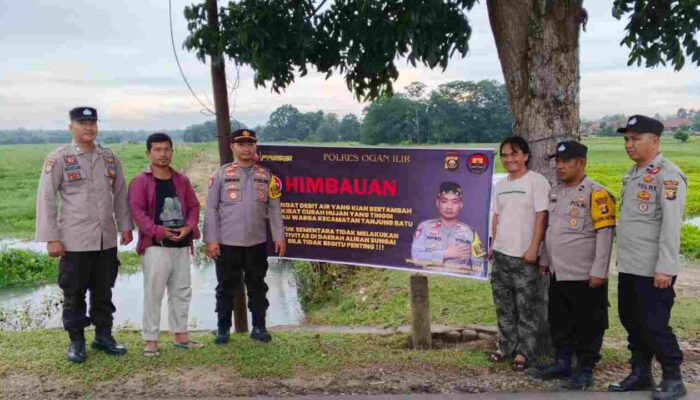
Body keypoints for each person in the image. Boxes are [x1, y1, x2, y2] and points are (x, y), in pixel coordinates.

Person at [35, 107, 133, 363]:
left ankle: (103, 336)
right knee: (74, 293)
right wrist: (51, 238)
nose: (88, 127)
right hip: (74, 240)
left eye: (92, 123)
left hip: (105, 240)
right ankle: (76, 342)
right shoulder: (59, 158)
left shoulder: (109, 157)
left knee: (104, 292)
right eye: (82, 123)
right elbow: (46, 199)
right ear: (71, 127)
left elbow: (121, 194)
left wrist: (125, 226)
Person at [608, 115, 688, 400]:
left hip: (655, 269)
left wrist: (665, 267)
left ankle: (673, 378)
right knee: (632, 322)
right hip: (631, 266)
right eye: (627, 139)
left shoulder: (668, 175)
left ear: (654, 141)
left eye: (635, 139)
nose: (629, 144)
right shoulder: (634, 174)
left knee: (655, 325)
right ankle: (641, 373)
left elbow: (670, 227)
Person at [534, 141, 616, 390]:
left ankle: (585, 369)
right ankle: (562, 363)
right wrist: (545, 260)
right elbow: (552, 231)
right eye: (557, 161)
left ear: (581, 163)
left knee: (588, 324)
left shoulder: (597, 193)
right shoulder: (557, 192)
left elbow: (605, 236)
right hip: (560, 273)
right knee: (560, 321)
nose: (560, 166)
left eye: (565, 161)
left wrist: (599, 271)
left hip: (586, 275)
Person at [204, 129, 286, 344]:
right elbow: (211, 209)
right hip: (227, 243)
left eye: (250, 144)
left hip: (256, 242)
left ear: (255, 146)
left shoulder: (266, 175)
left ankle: (259, 327)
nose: (246, 148)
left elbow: (274, 208)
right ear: (232, 147)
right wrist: (211, 240)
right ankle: (223, 329)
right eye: (241, 144)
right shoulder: (220, 175)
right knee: (225, 287)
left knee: (257, 286)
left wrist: (279, 236)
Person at [127, 133, 203, 357]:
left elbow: (194, 206)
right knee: (154, 293)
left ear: (172, 151)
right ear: (148, 153)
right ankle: (150, 339)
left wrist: (188, 227)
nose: (163, 154)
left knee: (181, 291)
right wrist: (159, 231)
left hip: (181, 244)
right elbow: (138, 213)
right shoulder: (140, 181)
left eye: (166, 149)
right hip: (155, 245)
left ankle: (181, 335)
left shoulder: (181, 180)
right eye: (157, 150)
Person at [489, 136, 550, 371]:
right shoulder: (501, 185)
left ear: (526, 156)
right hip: (502, 255)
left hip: (525, 256)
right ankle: (506, 347)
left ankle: (525, 353)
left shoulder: (536, 182)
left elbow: (541, 216)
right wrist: (494, 245)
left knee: (527, 308)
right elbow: (496, 217)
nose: (509, 159)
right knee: (504, 306)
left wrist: (534, 247)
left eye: (514, 154)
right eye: (504, 155)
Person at [411, 181, 486, 276]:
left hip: (458, 286)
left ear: (461, 204)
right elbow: (416, 258)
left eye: (455, 202)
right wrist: (446, 254)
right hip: (431, 282)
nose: (449, 207)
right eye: (444, 201)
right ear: (437, 202)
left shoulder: (471, 232)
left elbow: (479, 267)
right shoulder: (425, 227)